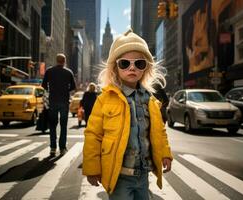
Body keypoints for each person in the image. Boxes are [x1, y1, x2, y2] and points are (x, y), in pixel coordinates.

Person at [82, 29, 173, 200]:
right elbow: (93, 135)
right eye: (125, 63)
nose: (132, 67)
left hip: (143, 174)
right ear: (115, 68)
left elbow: (159, 131)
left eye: (139, 63)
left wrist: (166, 153)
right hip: (119, 175)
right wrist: (92, 168)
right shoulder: (104, 99)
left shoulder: (150, 100)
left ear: (145, 68)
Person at [42, 53, 76, 156]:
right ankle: (62, 148)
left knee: (52, 125)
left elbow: (43, 85)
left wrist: (51, 90)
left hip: (53, 101)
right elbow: (73, 86)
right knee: (63, 125)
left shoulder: (49, 71)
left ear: (56, 60)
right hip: (64, 101)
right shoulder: (68, 72)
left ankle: (53, 148)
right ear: (64, 61)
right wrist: (65, 90)